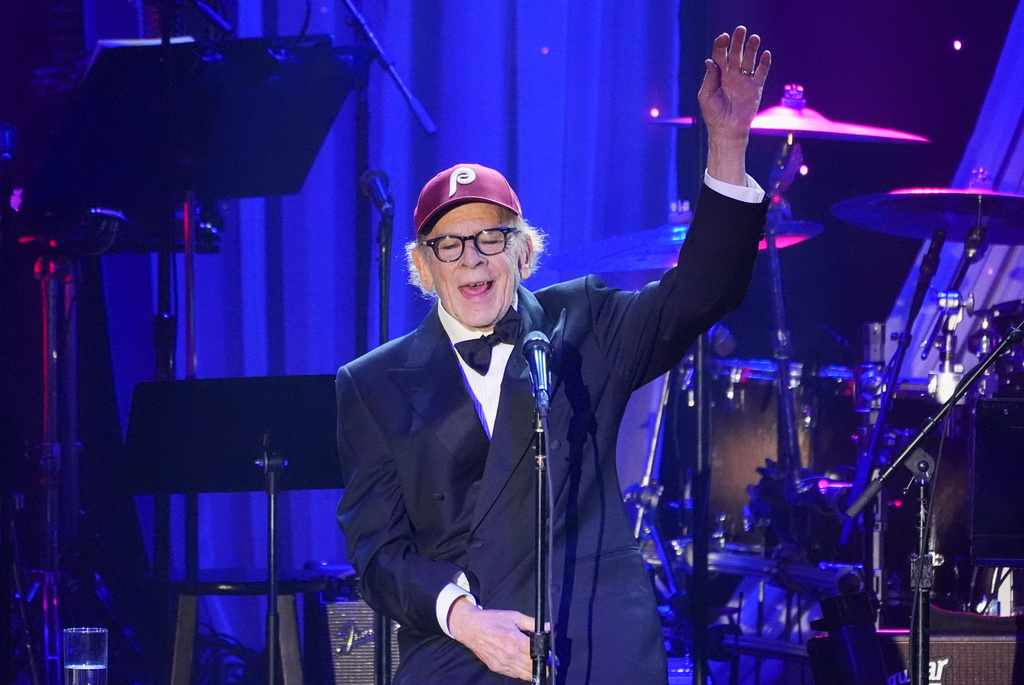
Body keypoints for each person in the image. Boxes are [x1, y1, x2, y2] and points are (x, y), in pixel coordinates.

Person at [336, 26, 771, 684]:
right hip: (463, 649)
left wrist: (728, 143)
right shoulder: (372, 384)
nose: (472, 258)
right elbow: (377, 554)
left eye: (490, 238)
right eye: (449, 244)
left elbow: (701, 293)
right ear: (423, 267)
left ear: (523, 251)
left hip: (595, 639)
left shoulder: (583, 321)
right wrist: (464, 618)